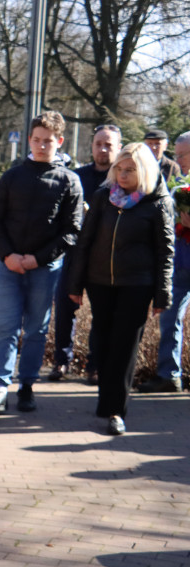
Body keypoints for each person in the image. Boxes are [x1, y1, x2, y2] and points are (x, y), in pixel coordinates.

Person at [67, 143, 175, 435]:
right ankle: (106, 402)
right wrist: (75, 284)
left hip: (137, 285)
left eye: (130, 170)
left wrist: (162, 294)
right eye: (119, 169)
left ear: (145, 171)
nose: (123, 175)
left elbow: (166, 251)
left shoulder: (157, 202)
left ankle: (116, 410)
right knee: (102, 345)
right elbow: (85, 242)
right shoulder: (103, 197)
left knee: (124, 348)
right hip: (100, 282)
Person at [0, 111, 83, 412]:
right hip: (8, 266)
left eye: (48, 141)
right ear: (29, 140)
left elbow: (71, 231)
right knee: (7, 327)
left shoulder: (69, 181)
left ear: (59, 141)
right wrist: (9, 256)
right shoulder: (12, 176)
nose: (41, 146)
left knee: (37, 330)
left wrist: (36, 259)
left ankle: (26, 386)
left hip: (45, 269)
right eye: (36, 140)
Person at [49, 123, 121, 383]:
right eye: (98, 144)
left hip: (105, 258)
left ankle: (95, 365)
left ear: (118, 148)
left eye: (108, 145)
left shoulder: (121, 178)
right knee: (65, 310)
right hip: (74, 253)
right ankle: (61, 362)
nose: (102, 149)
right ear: (91, 146)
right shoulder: (76, 176)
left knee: (102, 315)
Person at [138, 130, 190, 394]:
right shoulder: (180, 184)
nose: (177, 160)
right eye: (177, 154)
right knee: (170, 316)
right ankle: (169, 374)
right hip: (181, 261)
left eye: (182, 155)